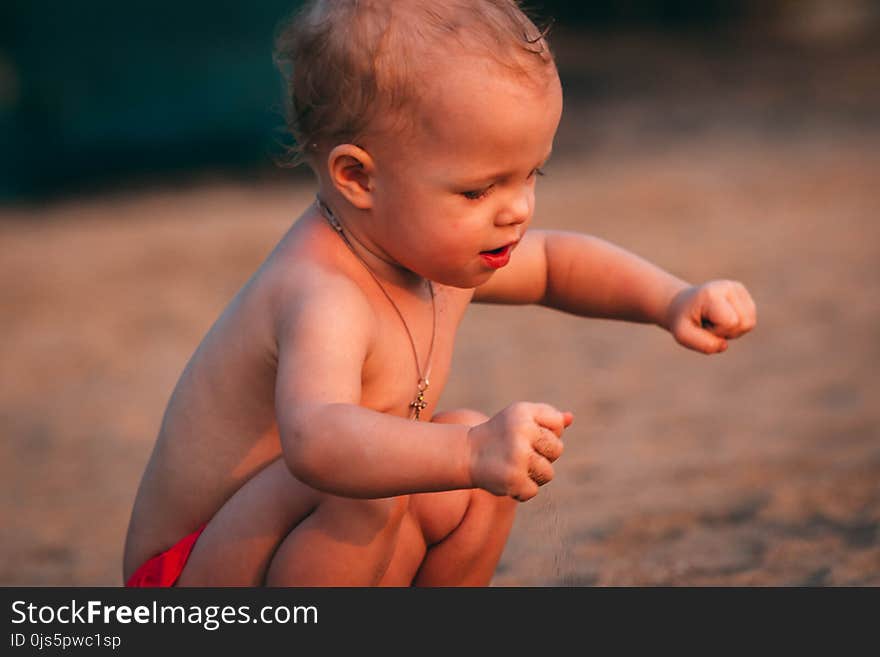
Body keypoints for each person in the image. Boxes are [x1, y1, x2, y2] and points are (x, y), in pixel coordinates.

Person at [123, 0, 757, 587]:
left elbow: (559, 264)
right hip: (191, 578)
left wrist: (672, 299)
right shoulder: (324, 294)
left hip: (306, 548)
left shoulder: (429, 247)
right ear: (358, 178)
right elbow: (318, 443)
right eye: (478, 191)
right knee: (395, 474)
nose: (516, 211)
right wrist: (470, 453)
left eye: (531, 174)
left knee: (470, 466)